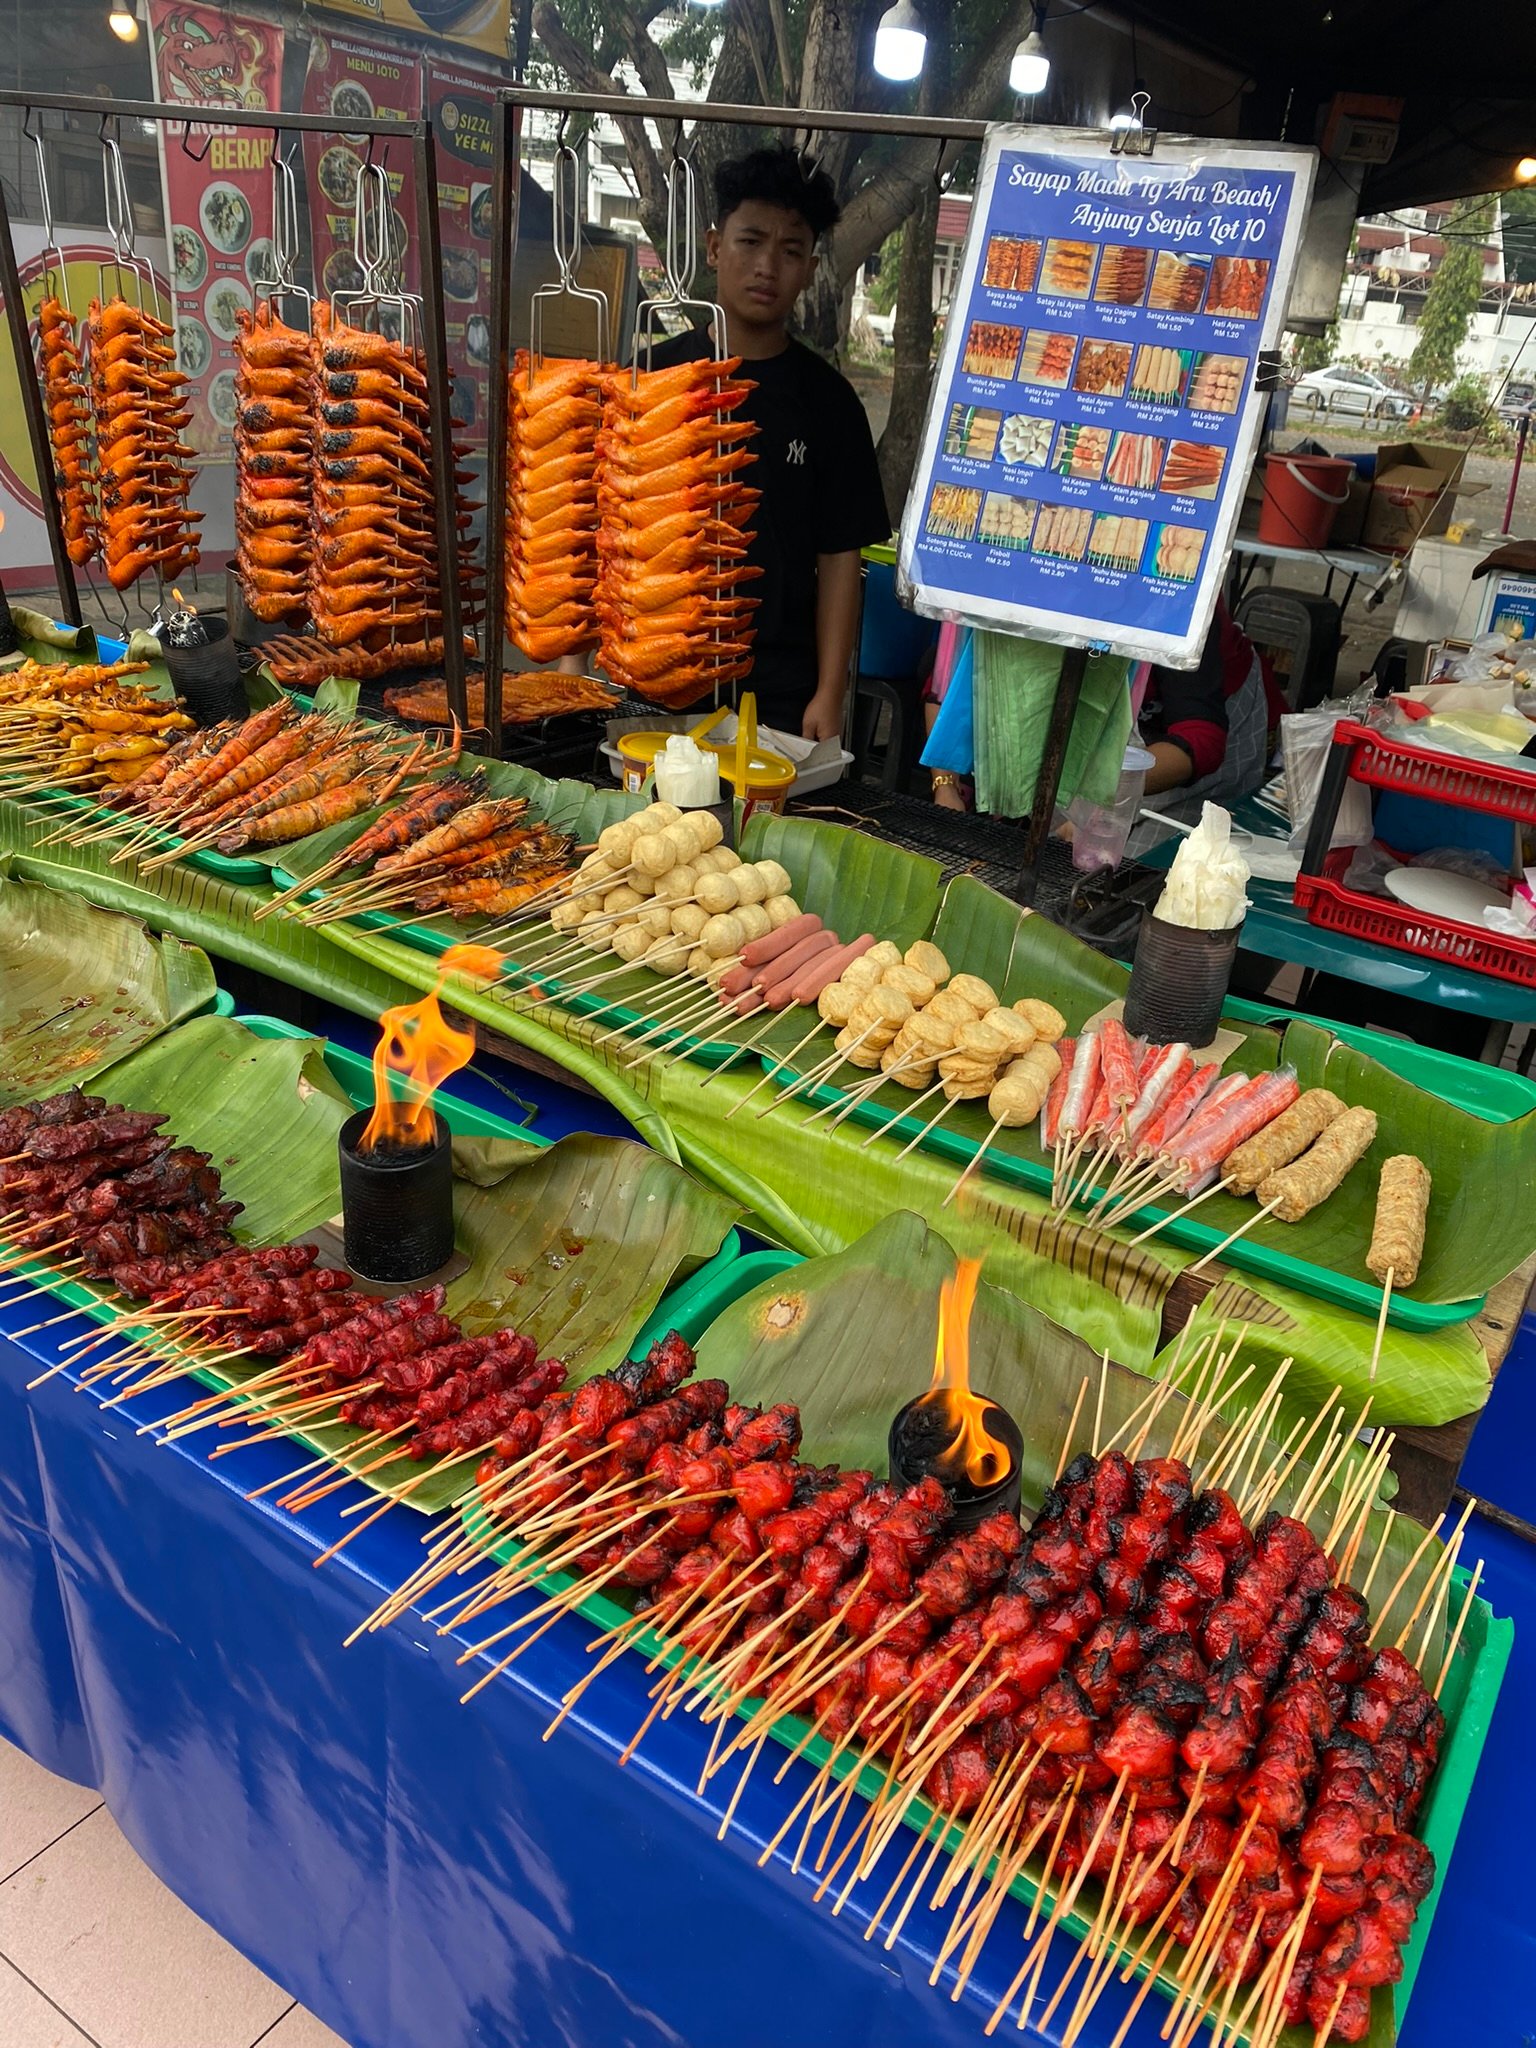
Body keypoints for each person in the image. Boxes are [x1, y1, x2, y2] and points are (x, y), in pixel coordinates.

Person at [640, 147, 891, 740]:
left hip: (779, 691)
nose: (767, 267)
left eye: (791, 251)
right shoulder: (648, 379)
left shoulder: (830, 404)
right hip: (658, 676)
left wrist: (830, 694)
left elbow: (840, 559)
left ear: (809, 268)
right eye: (750, 241)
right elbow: (605, 529)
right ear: (712, 246)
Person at [1135, 599, 1286, 818]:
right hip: (1141, 728)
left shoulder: (1175, 599)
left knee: (1192, 844)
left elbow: (1202, 738)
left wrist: (1105, 790)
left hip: (1214, 718)